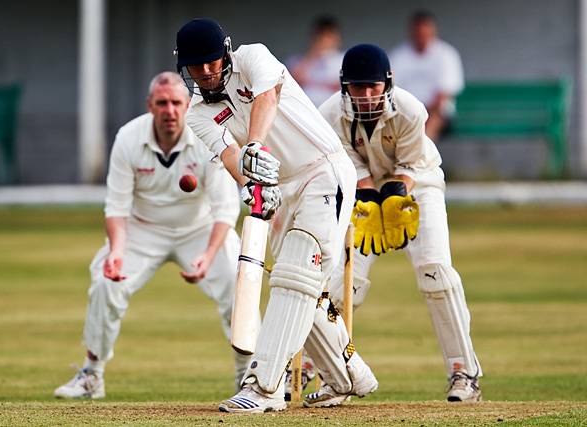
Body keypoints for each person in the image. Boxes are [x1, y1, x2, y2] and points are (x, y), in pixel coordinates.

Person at [175, 18, 378, 413]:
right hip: (281, 190)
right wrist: (256, 182)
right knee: (302, 286)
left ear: (226, 53)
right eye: (195, 67)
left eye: (211, 62)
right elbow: (233, 161)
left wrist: (254, 144)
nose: (205, 72)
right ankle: (349, 376)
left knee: (295, 277)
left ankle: (264, 387)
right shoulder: (198, 113)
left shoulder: (253, 57)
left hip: (324, 171)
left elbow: (267, 99)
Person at [54, 72, 249, 399]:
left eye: (176, 103)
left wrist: (209, 255)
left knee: (238, 278)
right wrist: (116, 250)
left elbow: (225, 208)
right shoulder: (129, 138)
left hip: (200, 229)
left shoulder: (206, 136)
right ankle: (92, 375)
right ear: (150, 106)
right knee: (105, 281)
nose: (170, 111)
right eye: (162, 103)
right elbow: (116, 205)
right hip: (142, 229)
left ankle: (249, 376)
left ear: (187, 105)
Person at [318, 44, 482, 402]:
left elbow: (409, 167)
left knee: (436, 273)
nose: (365, 95)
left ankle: (464, 373)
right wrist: (368, 196)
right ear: (344, 86)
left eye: (372, 86)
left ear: (387, 83)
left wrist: (393, 196)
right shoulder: (328, 115)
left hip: (418, 186)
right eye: (357, 87)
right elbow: (349, 169)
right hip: (362, 193)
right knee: (345, 281)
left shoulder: (411, 111)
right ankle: (332, 374)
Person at [389, 11, 464, 141]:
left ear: (433, 31)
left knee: (434, 116)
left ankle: (420, 156)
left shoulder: (446, 54)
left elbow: (444, 94)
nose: (421, 37)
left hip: (436, 112)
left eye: (425, 33)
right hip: (405, 112)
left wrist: (421, 111)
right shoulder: (398, 56)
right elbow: (390, 90)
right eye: (418, 33)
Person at [287, 15, 344, 106]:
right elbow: (292, 82)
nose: (324, 40)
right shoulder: (298, 60)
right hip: (305, 108)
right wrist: (313, 55)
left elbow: (344, 87)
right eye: (320, 36)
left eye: (328, 36)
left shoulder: (344, 59)